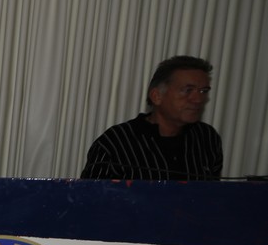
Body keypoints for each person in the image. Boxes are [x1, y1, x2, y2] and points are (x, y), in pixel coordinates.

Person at [81, 55, 222, 180]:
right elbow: (91, 197)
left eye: (203, 91)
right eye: (188, 90)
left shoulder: (207, 138)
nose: (198, 99)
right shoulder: (116, 143)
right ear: (156, 96)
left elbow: (212, 196)